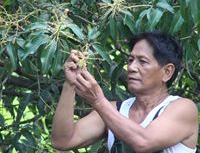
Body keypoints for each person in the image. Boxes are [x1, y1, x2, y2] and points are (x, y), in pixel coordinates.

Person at [51, 30, 199, 153]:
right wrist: (70, 84)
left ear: (167, 72)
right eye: (130, 60)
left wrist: (98, 101)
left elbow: (143, 142)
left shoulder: (183, 108)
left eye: (142, 61)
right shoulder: (115, 110)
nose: (132, 67)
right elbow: (62, 141)